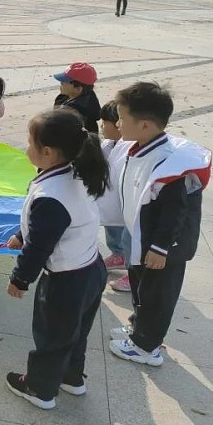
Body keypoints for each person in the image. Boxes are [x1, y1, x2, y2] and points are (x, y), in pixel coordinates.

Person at [3, 108, 108, 410]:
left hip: (66, 280)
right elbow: (50, 226)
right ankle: (71, 378)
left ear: (47, 152)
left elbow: (40, 246)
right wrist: (21, 234)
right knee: (75, 331)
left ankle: (40, 389)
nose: (26, 146)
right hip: (91, 268)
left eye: (28, 141)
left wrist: (20, 278)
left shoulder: (51, 195)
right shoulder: (74, 170)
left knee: (52, 335)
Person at [109, 82, 212, 367]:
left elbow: (174, 211)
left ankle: (146, 347)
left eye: (121, 117)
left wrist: (160, 247)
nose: (117, 123)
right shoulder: (141, 147)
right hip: (145, 237)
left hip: (164, 246)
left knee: (157, 296)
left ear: (143, 125)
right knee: (142, 287)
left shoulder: (170, 163)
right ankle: (138, 330)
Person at [96, 101, 131, 292]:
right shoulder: (108, 144)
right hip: (110, 200)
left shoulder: (132, 148)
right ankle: (118, 254)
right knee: (113, 228)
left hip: (127, 203)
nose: (102, 126)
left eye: (105, 122)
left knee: (130, 236)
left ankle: (134, 274)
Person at [53, 62, 101, 133]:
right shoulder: (87, 94)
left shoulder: (73, 111)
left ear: (78, 88)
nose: (61, 83)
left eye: (65, 81)